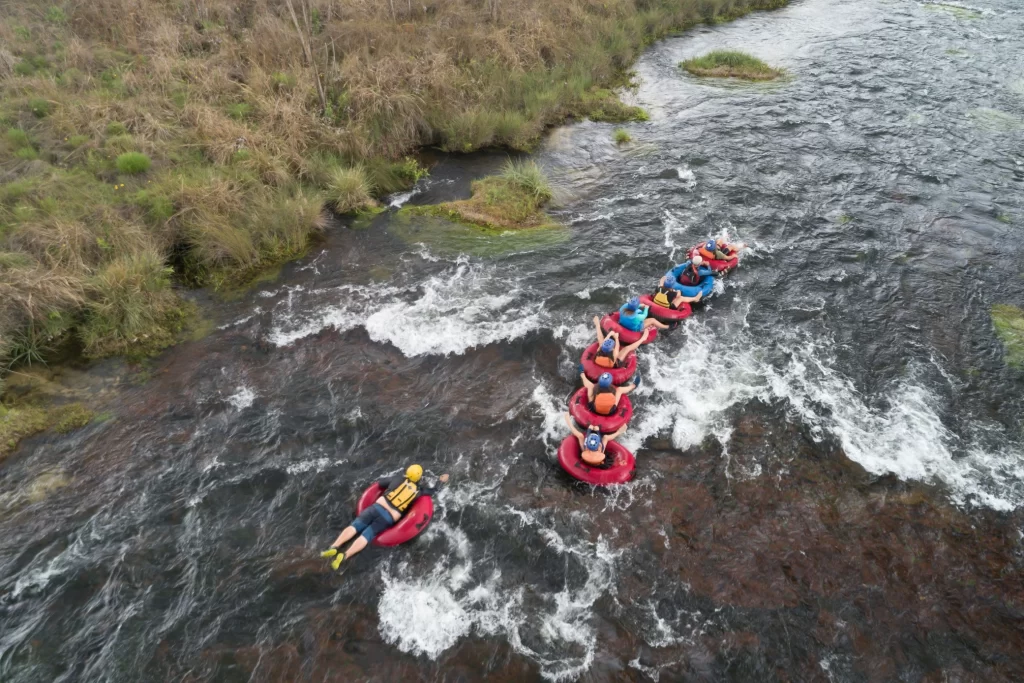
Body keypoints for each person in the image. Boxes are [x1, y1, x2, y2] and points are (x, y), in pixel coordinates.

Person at [320, 465, 449, 569]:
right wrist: (440, 481)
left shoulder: (397, 479)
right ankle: (345, 555)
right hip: (388, 517)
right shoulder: (419, 491)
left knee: (355, 526)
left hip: (375, 508)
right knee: (367, 535)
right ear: (419, 478)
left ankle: (334, 546)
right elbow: (434, 491)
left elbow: (380, 484)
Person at [563, 413, 628, 466]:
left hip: (590, 435)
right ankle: (619, 432)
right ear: (602, 461)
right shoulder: (601, 450)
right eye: (597, 450)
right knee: (605, 437)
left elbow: (579, 436)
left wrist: (569, 423)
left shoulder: (584, 448)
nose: (597, 449)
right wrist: (618, 432)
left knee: (580, 436)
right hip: (597, 435)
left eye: (590, 451)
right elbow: (606, 438)